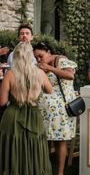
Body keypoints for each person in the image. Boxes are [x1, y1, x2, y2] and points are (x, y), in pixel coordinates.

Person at [0, 42, 52, 175]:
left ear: (15, 56)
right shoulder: (40, 73)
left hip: (13, 115)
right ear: (31, 56)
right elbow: (49, 90)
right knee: (35, 146)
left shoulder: (10, 74)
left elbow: (2, 102)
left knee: (14, 147)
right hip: (34, 115)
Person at [33, 42, 77, 175]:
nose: (39, 59)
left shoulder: (61, 60)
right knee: (44, 139)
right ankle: (44, 170)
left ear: (48, 52)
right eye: (36, 58)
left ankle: (60, 172)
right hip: (45, 110)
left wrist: (49, 68)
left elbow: (70, 75)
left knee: (60, 140)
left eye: (40, 56)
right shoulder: (40, 66)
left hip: (61, 110)